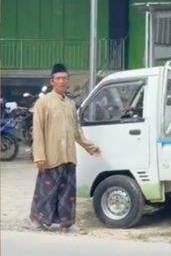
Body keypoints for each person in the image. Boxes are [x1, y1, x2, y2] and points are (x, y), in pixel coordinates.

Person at [25, 63, 101, 231]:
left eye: (64, 78)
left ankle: (67, 223)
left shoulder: (70, 104)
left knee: (67, 193)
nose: (61, 81)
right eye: (58, 79)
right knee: (46, 192)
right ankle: (36, 220)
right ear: (52, 81)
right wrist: (39, 155)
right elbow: (38, 131)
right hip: (50, 156)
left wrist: (90, 147)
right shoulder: (43, 103)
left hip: (68, 156)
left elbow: (76, 131)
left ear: (67, 81)